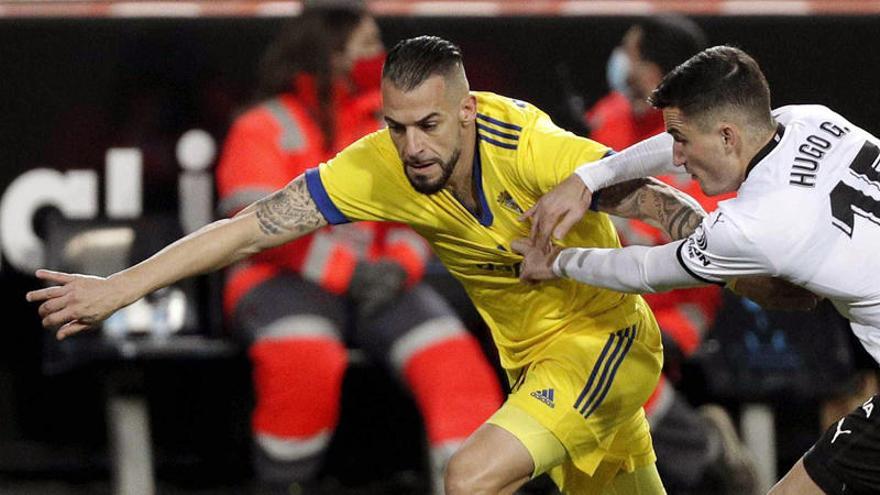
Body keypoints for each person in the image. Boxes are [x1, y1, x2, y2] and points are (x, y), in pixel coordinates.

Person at [29, 36, 796, 494]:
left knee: (469, 477)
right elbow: (252, 227)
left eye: (429, 124)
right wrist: (118, 285)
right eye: (397, 128)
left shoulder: (528, 146)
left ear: (466, 109)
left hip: (603, 344)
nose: (413, 146)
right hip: (535, 364)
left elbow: (661, 203)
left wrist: (744, 269)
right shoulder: (384, 164)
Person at [516, 45, 879, 495]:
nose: (679, 158)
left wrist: (555, 262)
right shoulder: (810, 119)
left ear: (728, 137)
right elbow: (668, 151)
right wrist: (587, 178)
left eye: (684, 141)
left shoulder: (755, 225)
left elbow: (645, 269)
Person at [215, 4, 502, 494]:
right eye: (368, 45)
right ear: (331, 53)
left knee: (458, 369)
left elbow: (426, 208)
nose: (381, 55)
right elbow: (256, 229)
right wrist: (348, 272)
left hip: (383, 281)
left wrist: (400, 265)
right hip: (278, 279)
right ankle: (283, 485)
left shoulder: (388, 119)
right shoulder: (263, 125)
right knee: (303, 360)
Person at [589, 17, 757, 495]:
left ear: (653, 72)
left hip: (682, 307)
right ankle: (700, 450)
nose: (621, 60)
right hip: (611, 292)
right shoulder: (608, 117)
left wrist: (626, 224)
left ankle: (702, 450)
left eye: (631, 51)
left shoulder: (714, 137)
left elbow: (708, 239)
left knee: (609, 368)